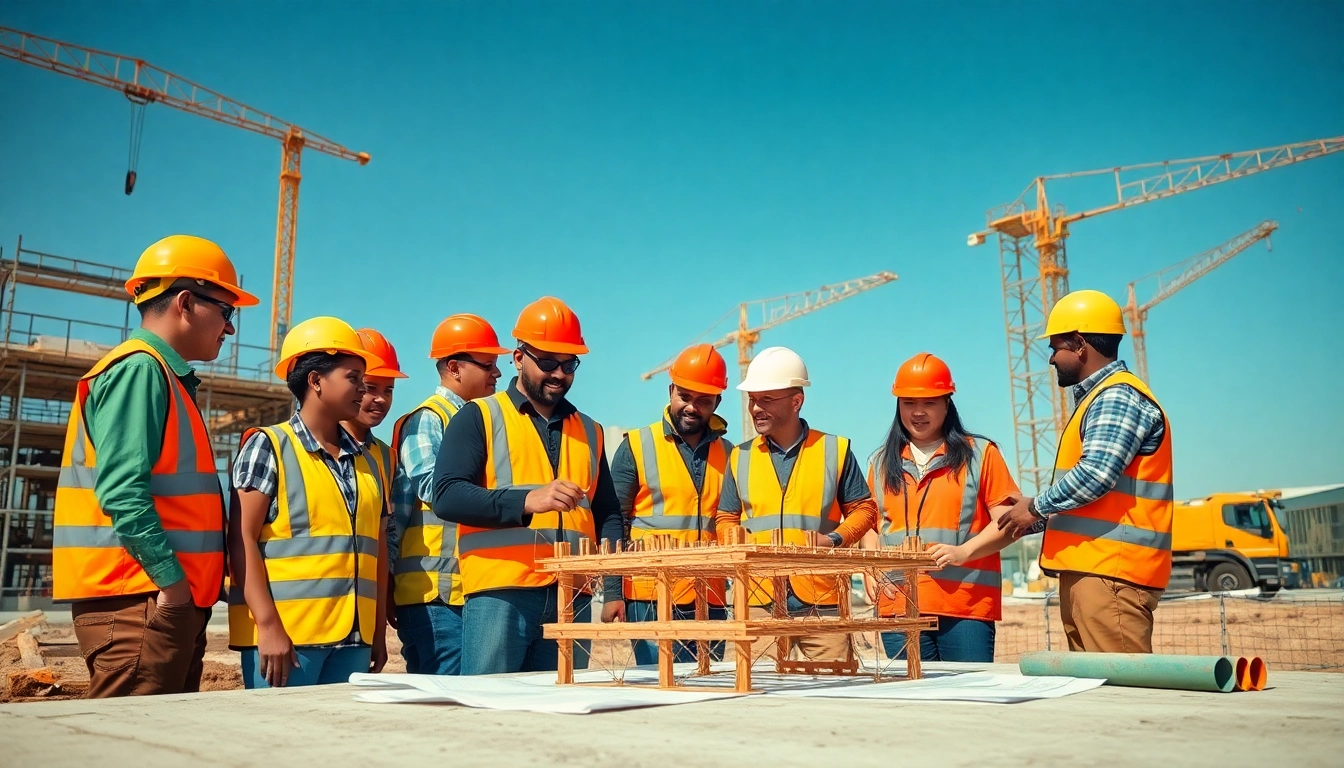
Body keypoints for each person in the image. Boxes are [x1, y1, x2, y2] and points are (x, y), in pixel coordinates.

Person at [52, 235, 257, 698]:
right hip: (140, 601)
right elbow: (123, 492)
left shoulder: (161, 375)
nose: (230, 329)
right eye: (227, 312)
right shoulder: (140, 370)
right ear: (186, 302)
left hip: (156, 601)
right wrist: (173, 587)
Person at [431, 297, 624, 675]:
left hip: (573, 596)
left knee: (558, 715)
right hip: (501, 592)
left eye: (569, 365)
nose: (558, 374)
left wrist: (614, 589)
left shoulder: (591, 431)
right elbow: (447, 495)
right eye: (548, 362)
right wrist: (527, 500)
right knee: (489, 709)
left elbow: (607, 514)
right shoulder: (480, 416)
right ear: (518, 358)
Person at [996, 289, 1173, 654]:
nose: (1050, 359)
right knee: (1099, 693)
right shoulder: (1100, 398)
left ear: (1079, 345)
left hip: (1111, 575)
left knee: (1122, 695)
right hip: (1096, 573)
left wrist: (1035, 507)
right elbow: (1099, 495)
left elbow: (1096, 474)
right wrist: (1036, 516)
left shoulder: (1116, 396)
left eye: (1055, 347)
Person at [227, 317, 390, 688]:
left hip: (354, 638)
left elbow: (376, 552)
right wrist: (268, 626)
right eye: (353, 378)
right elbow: (241, 539)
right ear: (316, 381)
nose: (363, 390)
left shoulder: (369, 461)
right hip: (287, 642)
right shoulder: (269, 446)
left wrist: (376, 632)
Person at [715, 346, 877, 663]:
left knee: (832, 693)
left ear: (796, 401)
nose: (755, 408)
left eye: (766, 400)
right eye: (752, 400)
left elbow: (865, 509)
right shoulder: (740, 456)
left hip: (821, 598)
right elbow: (725, 518)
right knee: (757, 697)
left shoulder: (835, 449)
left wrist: (833, 539)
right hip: (758, 598)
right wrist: (739, 547)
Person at [860, 353, 1020, 663]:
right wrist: (871, 568)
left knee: (965, 704)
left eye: (929, 402)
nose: (918, 412)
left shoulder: (981, 454)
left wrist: (964, 552)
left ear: (947, 404)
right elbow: (870, 523)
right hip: (898, 605)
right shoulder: (879, 463)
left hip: (964, 606)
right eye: (908, 403)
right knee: (912, 706)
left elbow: (1009, 522)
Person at [388, 314, 509, 675]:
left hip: (466, 589)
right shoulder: (429, 418)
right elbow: (436, 491)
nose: (497, 375)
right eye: (487, 365)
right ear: (454, 368)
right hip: (434, 596)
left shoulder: (482, 420)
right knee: (445, 703)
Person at [604, 344, 734, 665]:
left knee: (707, 689)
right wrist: (612, 592)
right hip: (649, 596)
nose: (691, 407)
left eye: (703, 400)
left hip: (711, 596)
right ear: (671, 390)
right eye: (685, 396)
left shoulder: (731, 454)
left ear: (717, 401)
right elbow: (614, 521)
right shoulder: (636, 446)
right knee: (657, 686)